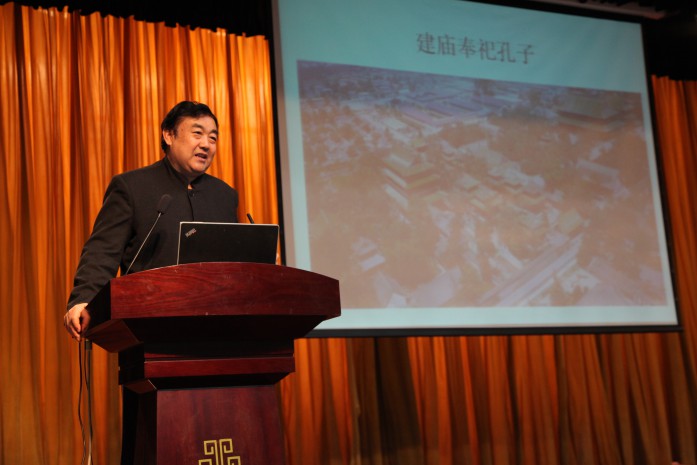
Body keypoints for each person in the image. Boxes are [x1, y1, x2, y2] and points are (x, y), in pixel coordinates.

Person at [63, 100, 238, 339]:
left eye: (213, 138)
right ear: (169, 135)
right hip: (149, 329)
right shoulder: (132, 187)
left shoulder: (225, 195)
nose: (206, 144)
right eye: (197, 133)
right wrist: (84, 299)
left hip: (219, 330)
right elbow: (103, 251)